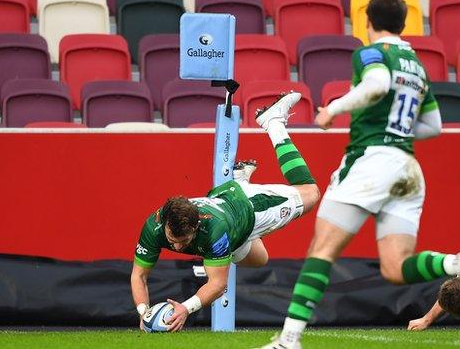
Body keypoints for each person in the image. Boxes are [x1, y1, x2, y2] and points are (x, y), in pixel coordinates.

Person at [261, 0, 460, 348]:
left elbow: (377, 85)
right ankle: (457, 263)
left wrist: (333, 110)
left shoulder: (370, 53)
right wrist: (394, 132)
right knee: (395, 269)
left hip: (371, 162)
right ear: (404, 23)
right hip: (408, 168)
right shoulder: (416, 64)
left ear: (366, 20)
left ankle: (289, 340)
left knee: (321, 251)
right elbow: (434, 126)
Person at [130, 92, 320, 332]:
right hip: (225, 209)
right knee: (261, 260)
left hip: (249, 208)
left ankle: (273, 122)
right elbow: (139, 275)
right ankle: (240, 179)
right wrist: (143, 313)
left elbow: (218, 285)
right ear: (164, 224)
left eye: (183, 241)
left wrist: (185, 308)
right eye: (172, 240)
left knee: (311, 193)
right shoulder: (154, 225)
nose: (178, 248)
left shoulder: (213, 230)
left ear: (196, 227)